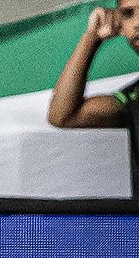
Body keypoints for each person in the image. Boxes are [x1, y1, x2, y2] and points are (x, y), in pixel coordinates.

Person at [48, 0, 139, 194]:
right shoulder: (132, 97)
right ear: (121, 27)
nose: (137, 22)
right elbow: (62, 115)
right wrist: (92, 38)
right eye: (128, 14)